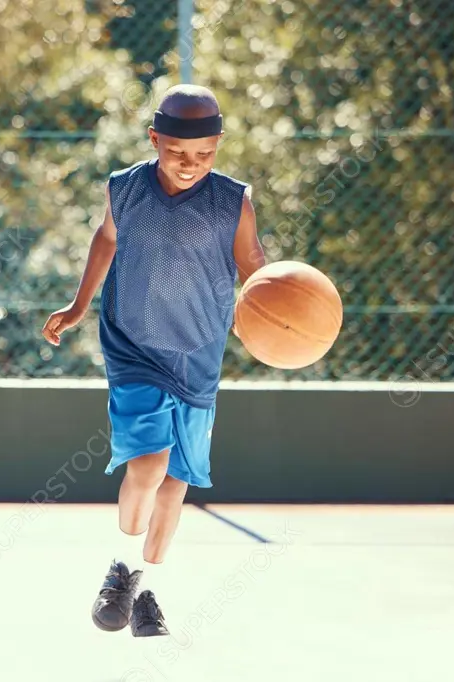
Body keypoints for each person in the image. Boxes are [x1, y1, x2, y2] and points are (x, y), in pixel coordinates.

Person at [41, 84, 265, 637]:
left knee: (175, 486)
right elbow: (105, 240)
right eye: (178, 152)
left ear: (217, 146)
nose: (191, 164)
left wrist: (275, 316)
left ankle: (147, 591)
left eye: (205, 154)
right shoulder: (126, 190)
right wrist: (77, 305)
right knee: (148, 466)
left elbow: (254, 266)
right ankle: (119, 568)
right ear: (154, 139)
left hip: (198, 355)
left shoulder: (233, 201)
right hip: (134, 346)